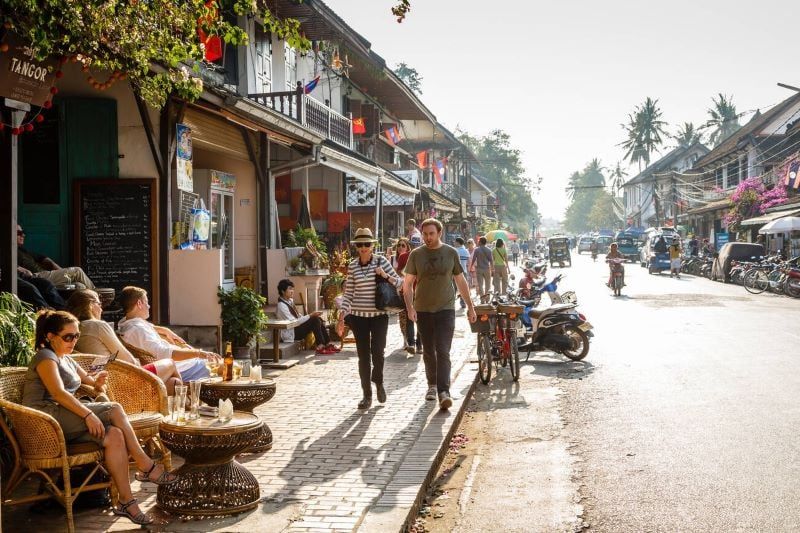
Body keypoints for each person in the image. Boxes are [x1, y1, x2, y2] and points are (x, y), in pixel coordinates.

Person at [22, 310, 178, 526]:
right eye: (68, 337)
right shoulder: (45, 357)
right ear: (50, 336)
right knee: (114, 409)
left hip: (62, 419)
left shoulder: (65, 358)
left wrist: (98, 382)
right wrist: (88, 414)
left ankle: (127, 501)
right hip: (43, 420)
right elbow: (58, 393)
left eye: (76, 336)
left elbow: (89, 382)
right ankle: (145, 465)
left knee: (114, 435)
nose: (73, 341)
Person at [403, 218, 476, 410]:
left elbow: (460, 281)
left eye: (431, 234)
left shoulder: (450, 253)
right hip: (423, 310)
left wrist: (470, 306)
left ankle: (444, 391)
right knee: (428, 351)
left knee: (443, 350)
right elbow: (407, 285)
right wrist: (410, 308)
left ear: (439, 233)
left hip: (446, 309)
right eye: (425, 234)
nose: (427, 237)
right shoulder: (416, 255)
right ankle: (432, 385)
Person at [66, 290, 183, 395]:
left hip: (100, 382)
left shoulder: (74, 329)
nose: (102, 309)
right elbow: (128, 360)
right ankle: (186, 408)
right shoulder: (97, 325)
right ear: (91, 306)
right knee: (170, 363)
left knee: (174, 383)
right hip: (121, 382)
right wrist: (141, 366)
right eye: (99, 304)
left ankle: (179, 405)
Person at [336, 228, 403, 409]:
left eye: (367, 244)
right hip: (358, 317)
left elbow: (400, 282)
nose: (364, 247)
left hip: (379, 316)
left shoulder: (381, 261)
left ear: (372, 245)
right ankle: (367, 395)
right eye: (360, 245)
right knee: (363, 357)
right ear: (356, 247)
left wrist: (384, 275)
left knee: (378, 353)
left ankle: (378, 381)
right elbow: (348, 293)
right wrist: (341, 316)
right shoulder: (352, 266)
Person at [116, 287, 218, 381]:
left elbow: (147, 327)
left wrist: (165, 330)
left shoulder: (126, 324)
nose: (149, 306)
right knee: (228, 367)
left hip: (184, 364)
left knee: (226, 364)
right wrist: (199, 353)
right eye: (146, 302)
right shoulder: (139, 330)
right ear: (139, 303)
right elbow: (165, 353)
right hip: (182, 369)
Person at [16, 225, 96, 289]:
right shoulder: (9, 251)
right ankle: (98, 298)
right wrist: (20, 269)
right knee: (77, 271)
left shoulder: (21, 250)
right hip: (34, 277)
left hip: (45, 276)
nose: (23, 235)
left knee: (80, 286)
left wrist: (61, 270)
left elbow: (42, 258)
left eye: (23, 232)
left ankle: (87, 307)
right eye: (19, 233)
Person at [276, 279, 338, 355]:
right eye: (290, 289)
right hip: (291, 333)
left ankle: (327, 344)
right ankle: (320, 345)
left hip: (296, 328)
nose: (292, 291)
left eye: (292, 289)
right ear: (283, 291)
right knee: (314, 319)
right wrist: (310, 315)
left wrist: (310, 316)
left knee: (318, 319)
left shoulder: (290, 301)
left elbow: (298, 316)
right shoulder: (281, 305)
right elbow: (294, 322)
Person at [391, 238, 421, 354]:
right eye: (413, 244)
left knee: (417, 318)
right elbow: (398, 272)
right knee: (411, 317)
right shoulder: (404, 256)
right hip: (408, 290)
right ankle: (413, 344)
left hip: (420, 291)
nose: (415, 246)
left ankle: (417, 344)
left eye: (416, 244)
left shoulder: (423, 255)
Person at [470, 237, 494, 301]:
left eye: (479, 241)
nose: (478, 242)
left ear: (480, 242)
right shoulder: (489, 250)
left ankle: (482, 299)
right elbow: (491, 261)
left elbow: (474, 259)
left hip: (479, 269)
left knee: (480, 285)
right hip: (487, 269)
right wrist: (492, 269)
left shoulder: (477, 250)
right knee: (488, 285)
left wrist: (471, 266)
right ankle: (487, 298)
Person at [454, 237, 470, 309]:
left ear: (458, 243)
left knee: (453, 288)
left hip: (454, 272)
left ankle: (451, 304)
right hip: (464, 271)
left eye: (455, 242)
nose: (454, 243)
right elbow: (468, 262)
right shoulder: (466, 251)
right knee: (463, 288)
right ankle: (463, 303)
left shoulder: (454, 251)